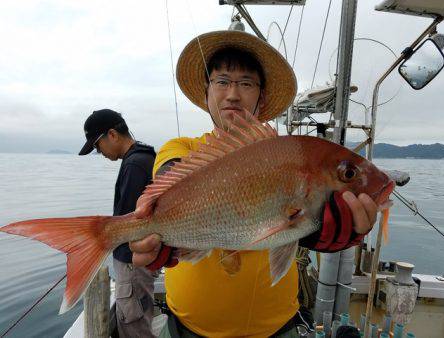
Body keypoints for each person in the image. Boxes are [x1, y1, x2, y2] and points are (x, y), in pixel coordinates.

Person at [130, 31, 379, 337]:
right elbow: (171, 174)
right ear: (207, 91)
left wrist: (315, 231)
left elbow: (296, 222)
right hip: (188, 329)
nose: (233, 94)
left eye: (246, 83)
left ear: (261, 97)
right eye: (222, 81)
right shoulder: (180, 148)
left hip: (277, 328)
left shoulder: (286, 155)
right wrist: (159, 228)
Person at [79, 109, 157, 338]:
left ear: (112, 135)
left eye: (97, 145)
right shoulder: (143, 158)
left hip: (133, 264)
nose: (99, 152)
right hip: (140, 261)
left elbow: (128, 222)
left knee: (134, 326)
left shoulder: (134, 165)